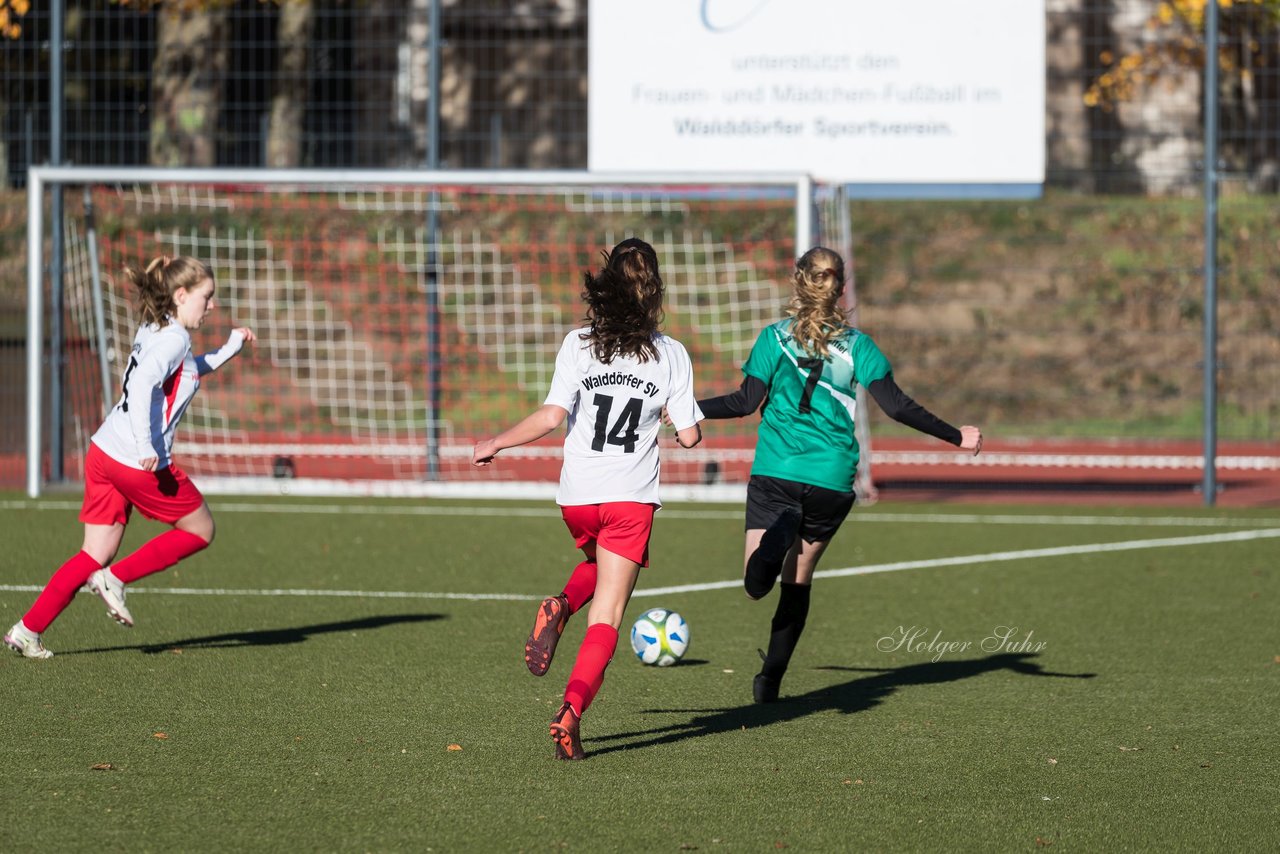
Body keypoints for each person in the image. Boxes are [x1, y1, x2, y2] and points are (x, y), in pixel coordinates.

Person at [696, 246, 982, 703]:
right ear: (841, 288)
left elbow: (744, 402)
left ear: (798, 281)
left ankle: (781, 528)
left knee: (755, 586)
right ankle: (769, 680)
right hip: (831, 480)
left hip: (778, 471)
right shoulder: (860, 347)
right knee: (799, 578)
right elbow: (897, 406)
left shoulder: (774, 338)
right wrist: (956, 436)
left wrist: (690, 410)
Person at [471, 238, 702, 760]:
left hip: (576, 496)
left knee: (596, 564)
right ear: (654, 290)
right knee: (609, 614)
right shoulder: (670, 353)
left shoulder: (578, 343)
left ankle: (561, 602)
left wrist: (496, 443)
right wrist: (676, 419)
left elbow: (552, 416)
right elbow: (689, 437)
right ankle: (571, 711)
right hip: (629, 498)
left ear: (605, 287)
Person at [5, 255, 256, 659]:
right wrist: (146, 448)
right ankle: (115, 579)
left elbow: (186, 373)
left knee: (92, 554)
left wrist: (230, 346)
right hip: (134, 459)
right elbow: (141, 386)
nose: (211, 305)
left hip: (104, 451)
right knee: (200, 530)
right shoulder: (175, 339)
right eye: (206, 297)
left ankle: (27, 630)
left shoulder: (158, 327)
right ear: (180, 295)